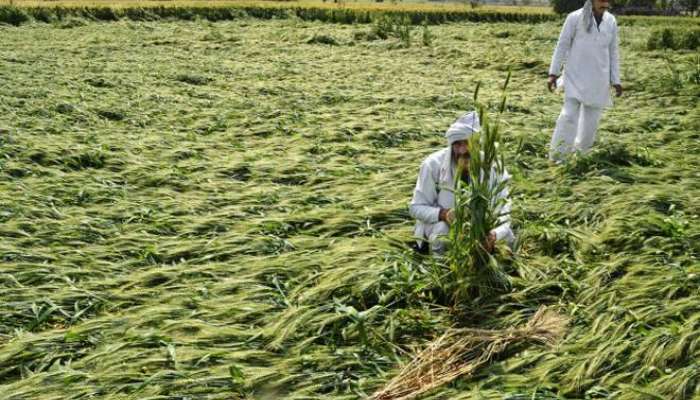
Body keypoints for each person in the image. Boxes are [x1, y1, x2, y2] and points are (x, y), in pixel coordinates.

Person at [409, 112, 514, 255]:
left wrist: (494, 235)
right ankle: (441, 268)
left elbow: (504, 209)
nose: (463, 150)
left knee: (507, 237)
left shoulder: (493, 166)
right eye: (457, 144)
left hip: (479, 230)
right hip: (443, 228)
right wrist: (443, 214)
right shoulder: (433, 165)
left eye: (467, 143)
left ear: (477, 144)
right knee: (442, 233)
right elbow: (415, 208)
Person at [547, 0, 622, 162]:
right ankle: (558, 158)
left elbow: (613, 51)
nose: (605, 3)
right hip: (575, 76)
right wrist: (553, 73)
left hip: (598, 80)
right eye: (601, 0)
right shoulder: (574, 18)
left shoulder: (611, 21)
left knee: (590, 126)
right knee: (568, 117)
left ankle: (579, 156)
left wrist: (616, 80)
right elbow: (562, 45)